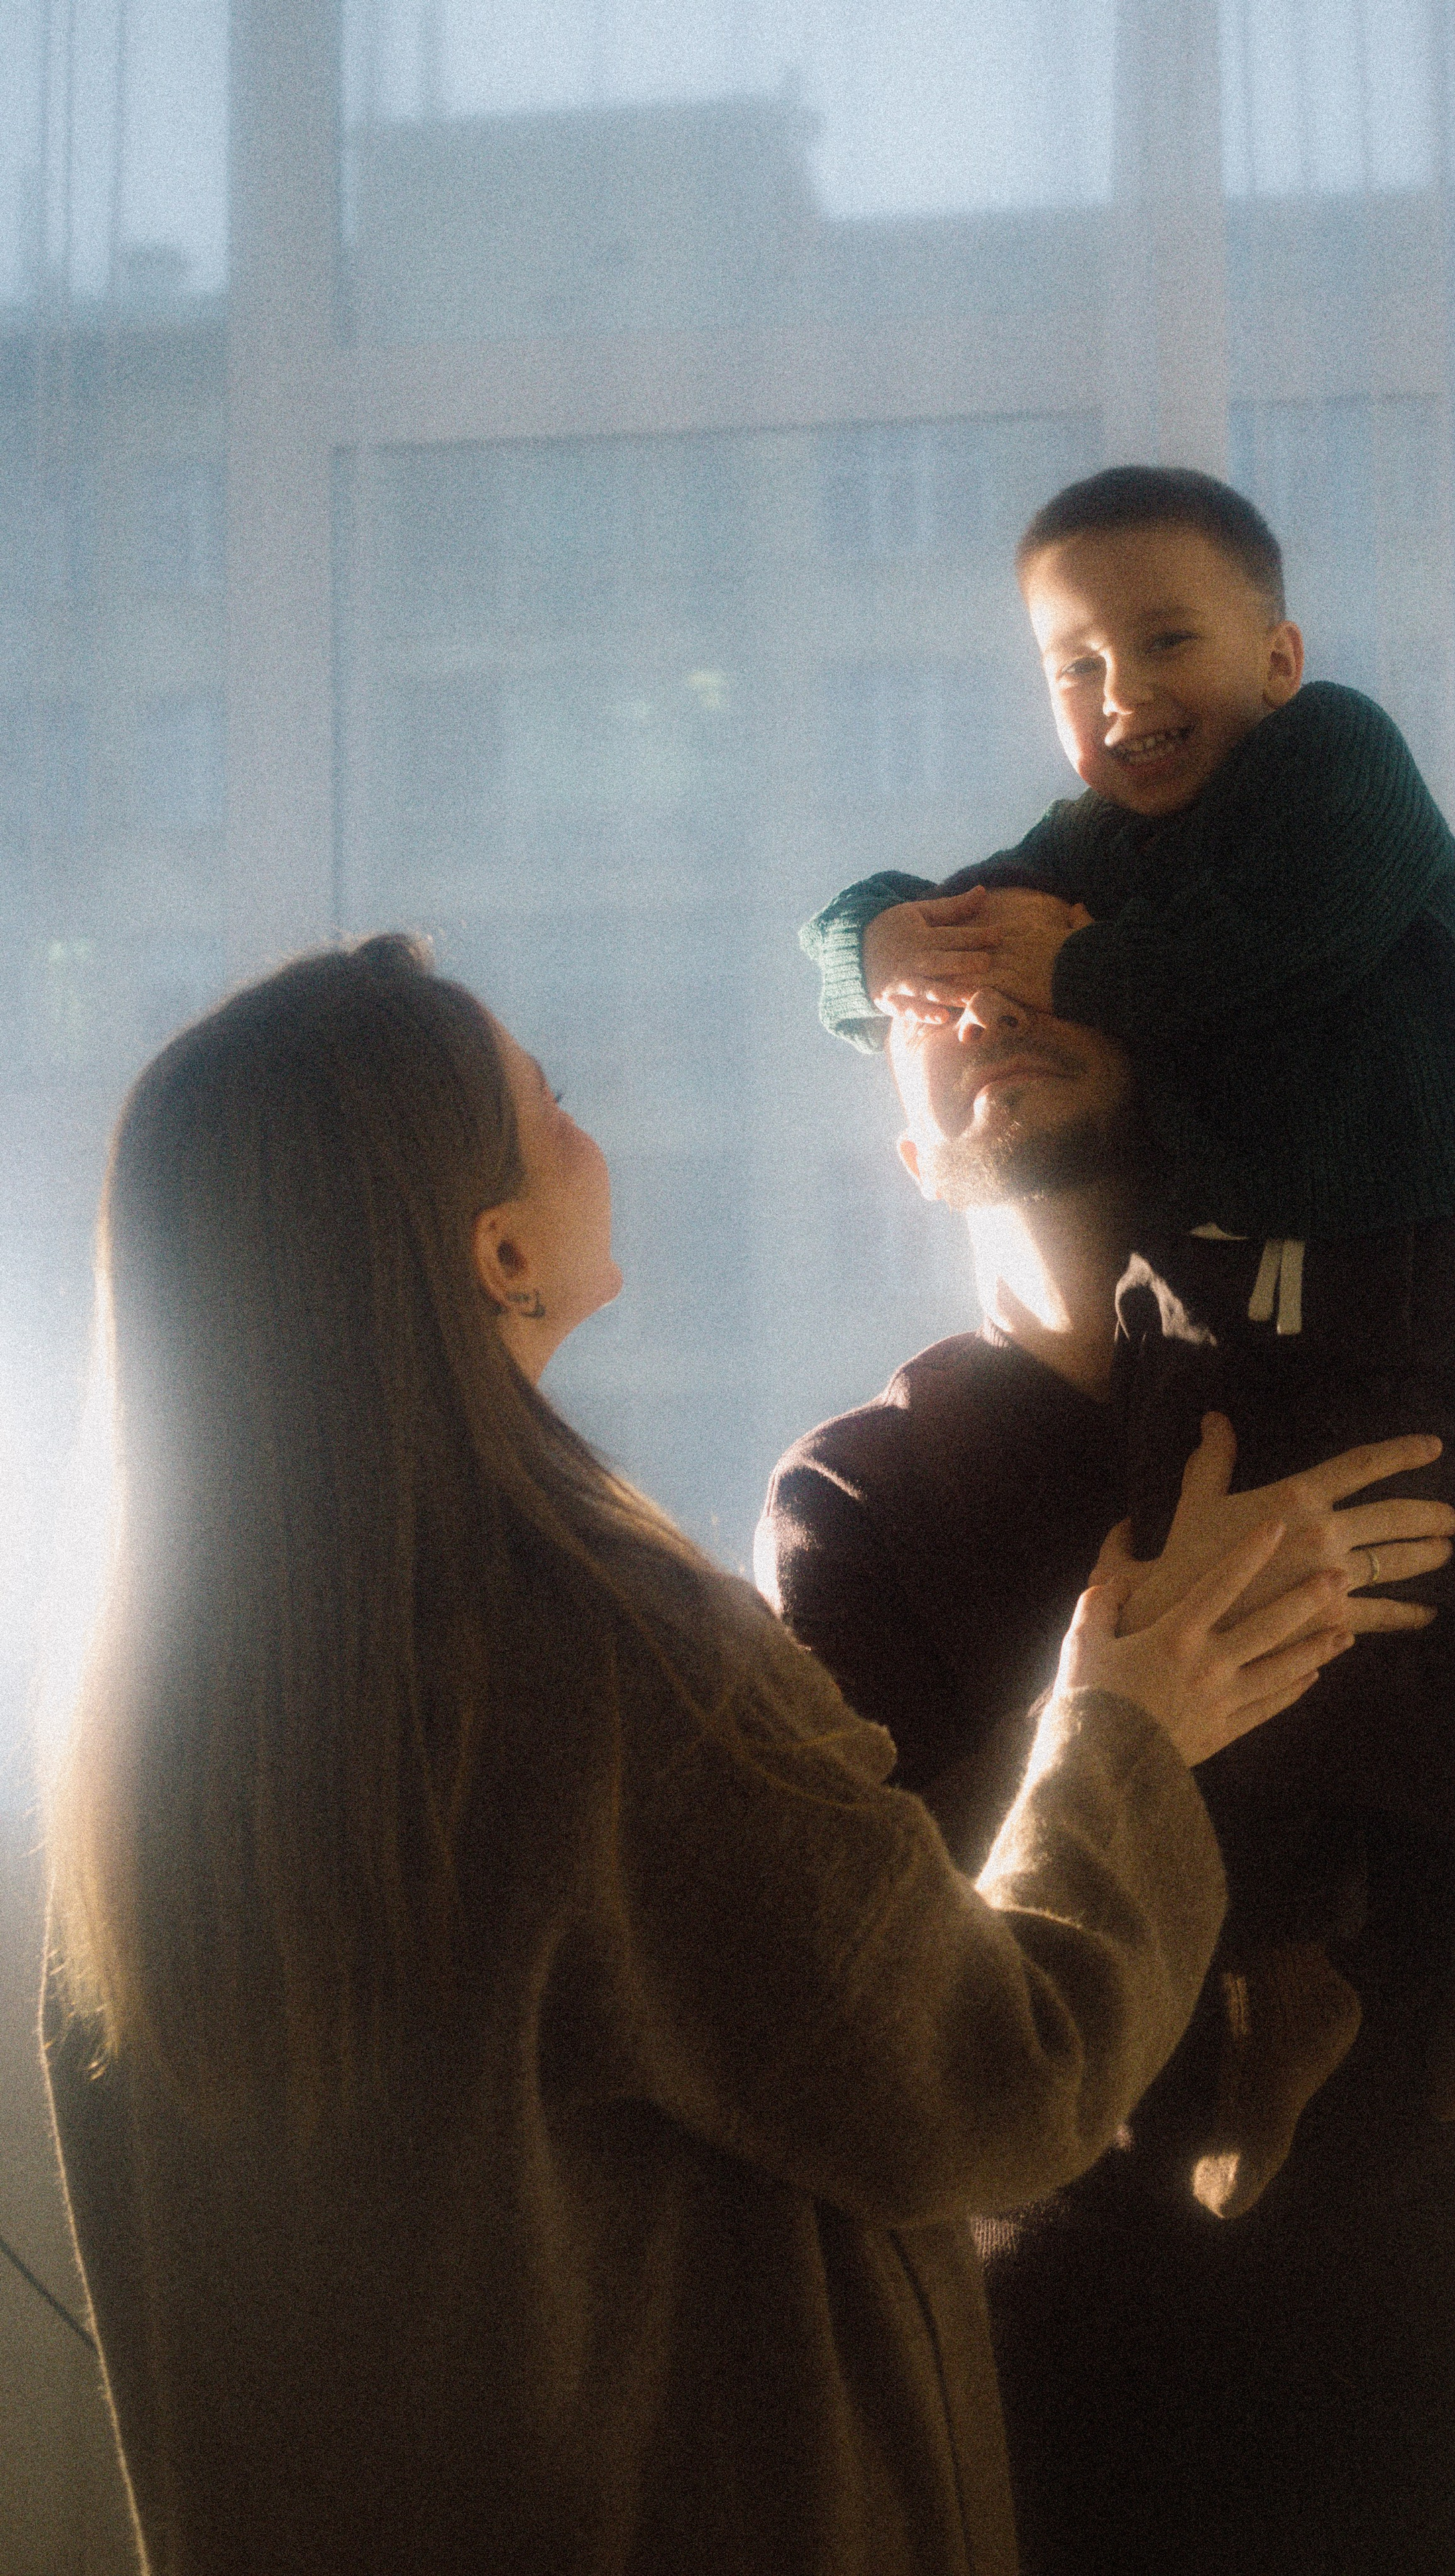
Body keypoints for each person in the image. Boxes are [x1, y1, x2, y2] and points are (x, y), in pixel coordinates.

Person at [40, 933, 1370, 2576]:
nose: (594, 1132)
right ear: (501, 1253)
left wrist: (1066, 1734)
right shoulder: (610, 1661)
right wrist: (1128, 1742)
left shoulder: (155, 1735)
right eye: (554, 1106)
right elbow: (992, 2076)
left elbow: (729, 1946)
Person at [759, 981, 1455, 2576]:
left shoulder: (1417, 1376)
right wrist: (1131, 1700)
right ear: (909, 1151)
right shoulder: (855, 1487)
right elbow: (876, 1957)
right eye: (931, 997)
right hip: (1088, 2410)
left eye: (1048, 969)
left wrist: (1229, 1662)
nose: (985, 1004)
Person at [799, 464, 1455, 2217]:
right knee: (1194, 1573)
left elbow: (1270, 945)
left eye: (1165, 643)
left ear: (1278, 659)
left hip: (1438, 1252)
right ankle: (1281, 1960)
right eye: (1073, 668)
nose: (1123, 696)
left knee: (1423, 1557)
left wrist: (1068, 971)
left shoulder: (1334, 763)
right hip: (1253, 1291)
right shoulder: (1096, 855)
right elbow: (957, 921)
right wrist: (874, 946)